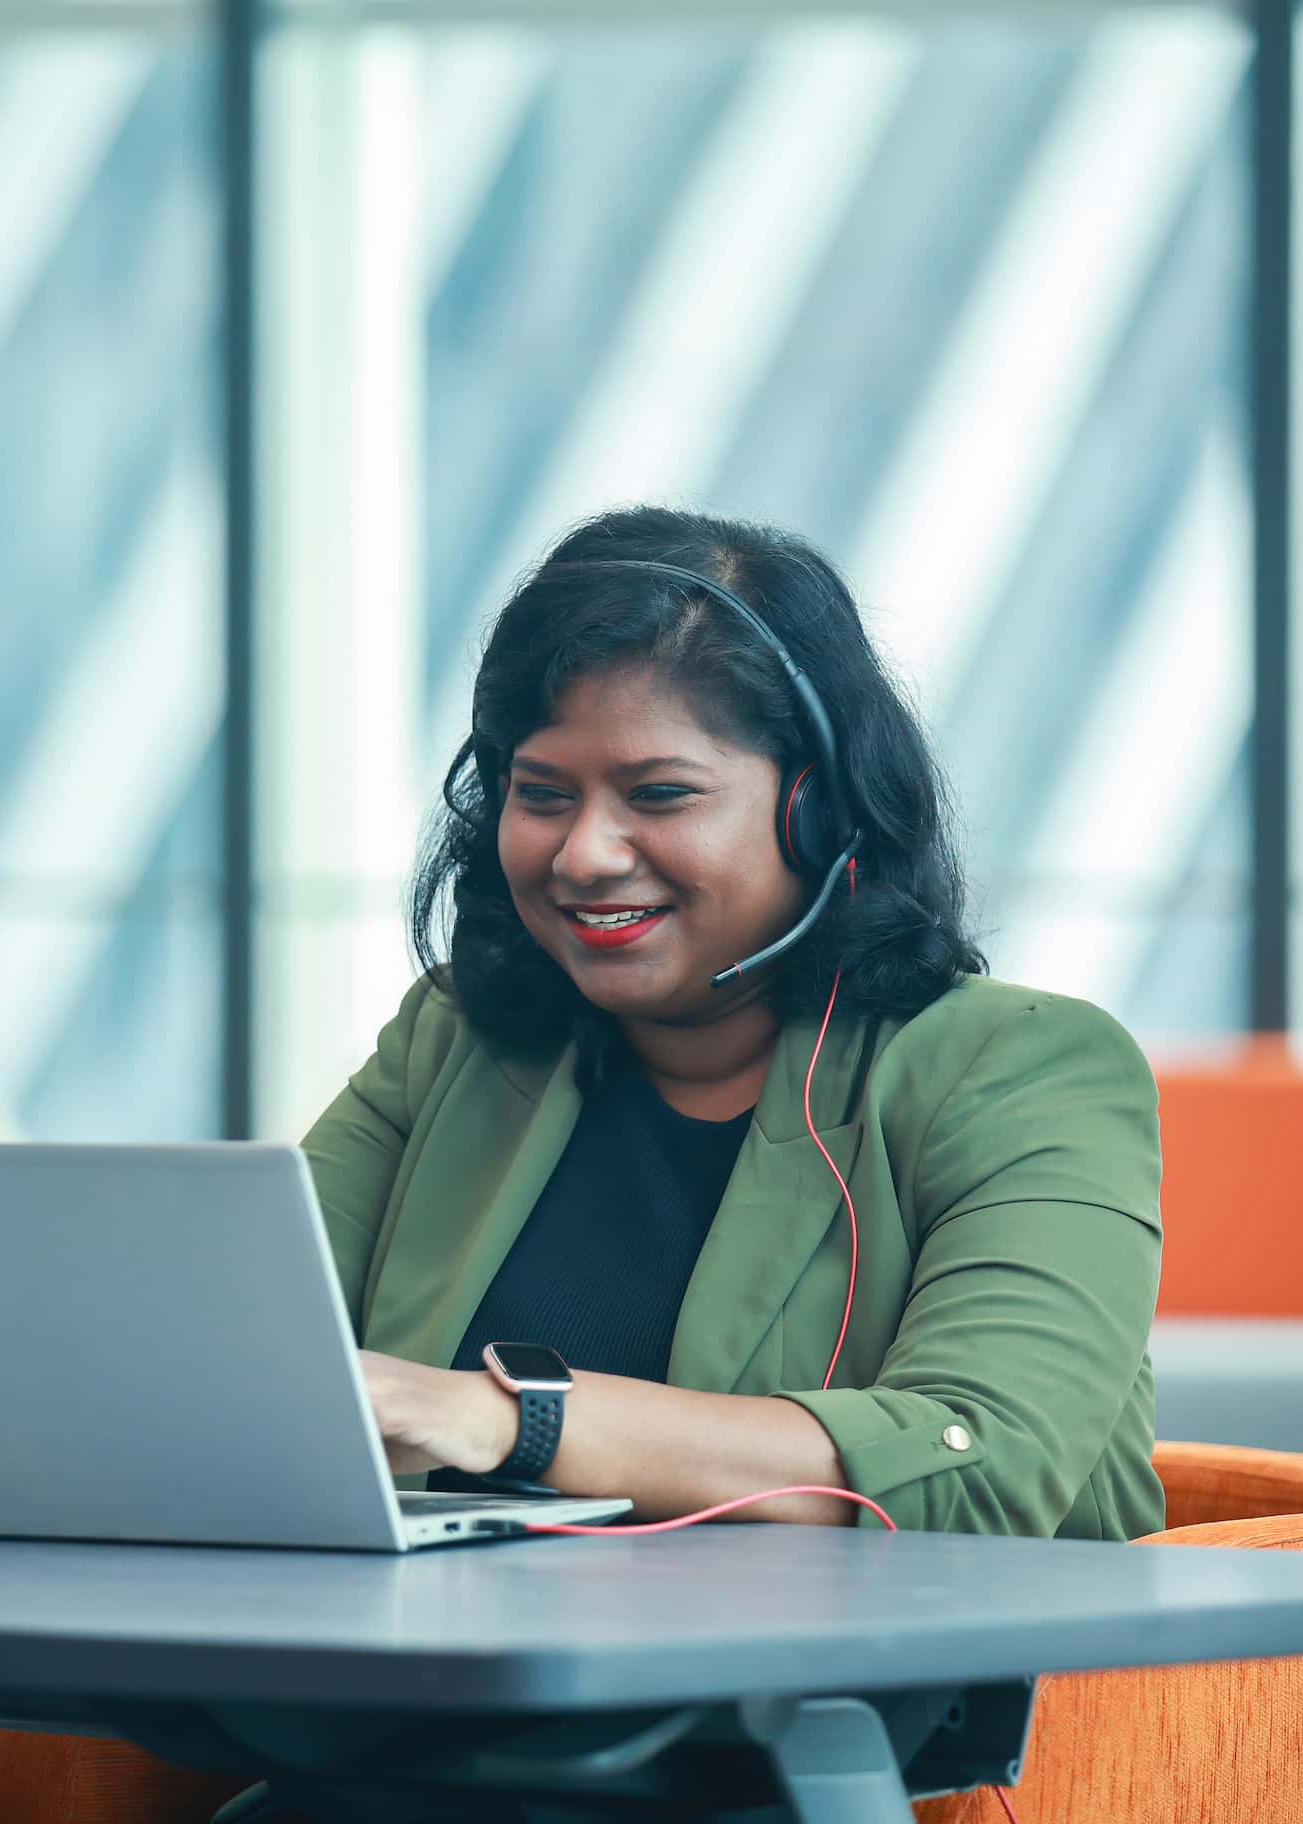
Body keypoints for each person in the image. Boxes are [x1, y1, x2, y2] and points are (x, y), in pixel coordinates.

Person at [310, 504, 1165, 1542]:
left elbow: (984, 1461)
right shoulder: (456, 1043)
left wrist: (513, 1420)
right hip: (439, 1671)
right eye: (541, 794)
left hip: (848, 1690)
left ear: (817, 811)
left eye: (659, 794)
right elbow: (247, 1352)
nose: (583, 855)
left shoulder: (1023, 1068)